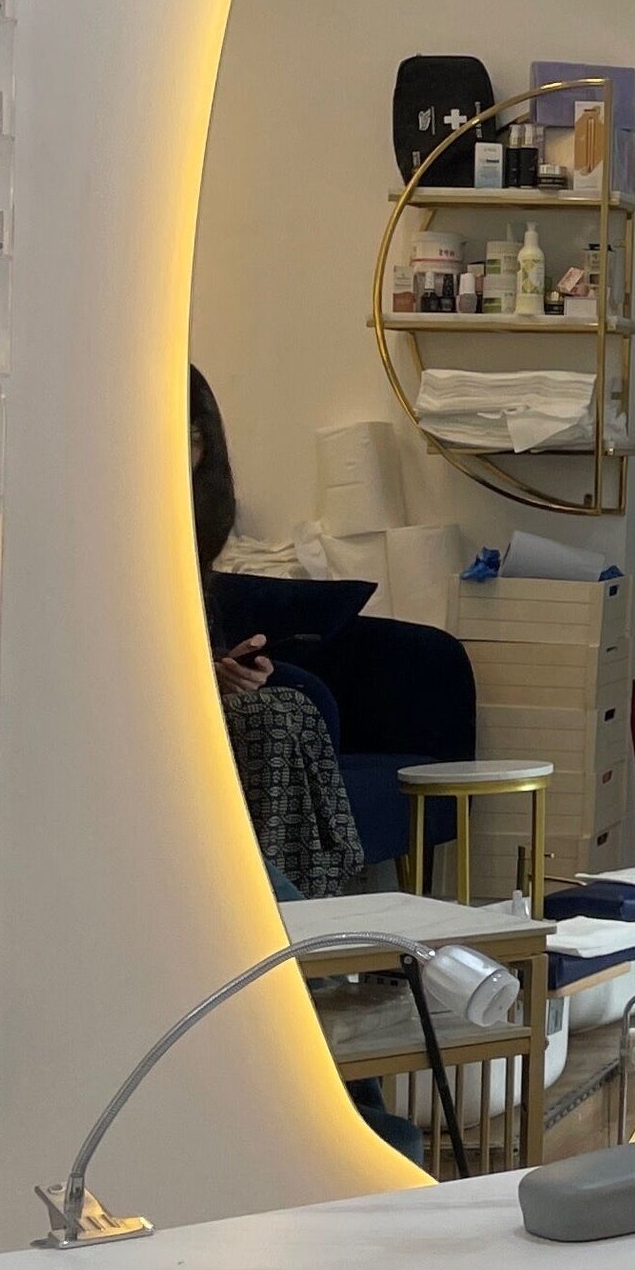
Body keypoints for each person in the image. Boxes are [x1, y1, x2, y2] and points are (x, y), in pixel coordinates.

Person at [193, 367, 363, 890]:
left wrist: (225, 670)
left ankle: (303, 889)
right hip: (138, 712)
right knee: (273, 718)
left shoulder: (192, 532)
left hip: (192, 701)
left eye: (196, 441)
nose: (187, 456)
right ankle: (277, 897)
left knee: (287, 706)